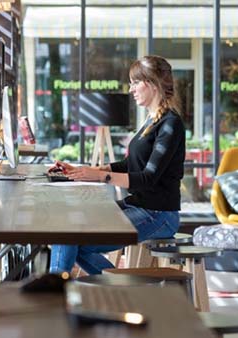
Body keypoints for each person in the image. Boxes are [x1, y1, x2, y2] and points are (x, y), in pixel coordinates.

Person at [49, 55, 186, 274]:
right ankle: (120, 292)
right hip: (138, 206)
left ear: (151, 84)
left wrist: (98, 176)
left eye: (135, 82)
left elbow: (148, 177)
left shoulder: (171, 124)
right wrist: (84, 171)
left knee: (69, 237)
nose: (131, 89)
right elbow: (130, 164)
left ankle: (54, 295)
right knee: (67, 230)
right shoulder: (151, 121)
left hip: (158, 214)